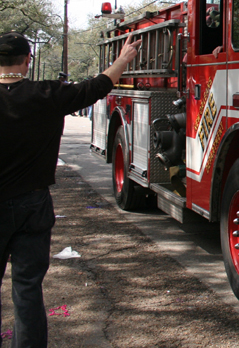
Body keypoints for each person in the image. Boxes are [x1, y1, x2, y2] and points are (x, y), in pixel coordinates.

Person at [0, 31, 141, 348]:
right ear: (27, 60)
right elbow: (95, 88)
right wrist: (123, 58)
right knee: (27, 287)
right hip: (32, 205)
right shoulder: (46, 94)